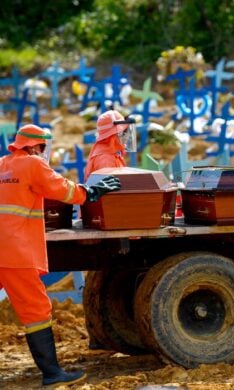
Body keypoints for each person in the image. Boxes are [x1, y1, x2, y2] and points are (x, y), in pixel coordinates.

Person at [0, 124, 121, 386]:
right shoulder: (33, 164)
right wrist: (91, 192)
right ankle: (53, 374)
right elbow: (62, 189)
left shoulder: (2, 165)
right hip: (16, 252)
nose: (45, 153)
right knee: (36, 312)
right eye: (44, 148)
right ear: (35, 146)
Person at [83, 109, 136, 351]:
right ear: (113, 132)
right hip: (109, 223)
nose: (126, 136)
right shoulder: (105, 158)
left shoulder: (108, 152)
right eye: (123, 131)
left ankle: (99, 336)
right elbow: (113, 197)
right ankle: (100, 335)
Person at [84, 109, 136, 181]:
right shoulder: (106, 160)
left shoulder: (111, 151)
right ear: (113, 135)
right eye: (123, 132)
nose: (126, 136)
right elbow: (111, 190)